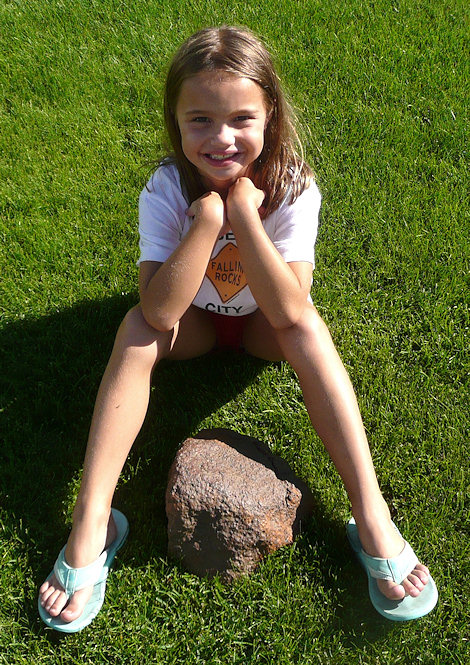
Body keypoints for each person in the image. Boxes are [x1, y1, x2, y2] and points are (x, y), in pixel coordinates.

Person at [38, 25, 437, 631]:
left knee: (310, 331)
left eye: (241, 119)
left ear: (270, 115)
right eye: (199, 119)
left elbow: (288, 310)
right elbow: (161, 311)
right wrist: (206, 223)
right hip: (193, 324)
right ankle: (93, 519)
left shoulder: (294, 189)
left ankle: (372, 512)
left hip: (261, 329)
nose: (220, 138)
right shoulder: (168, 187)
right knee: (134, 331)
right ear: (175, 122)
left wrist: (246, 215)